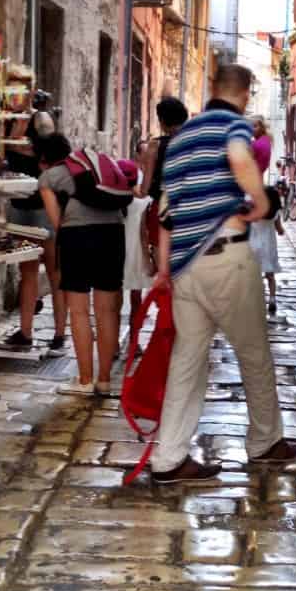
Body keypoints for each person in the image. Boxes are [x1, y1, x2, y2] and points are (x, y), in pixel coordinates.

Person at [150, 63, 296, 484]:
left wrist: (164, 270)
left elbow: (165, 213)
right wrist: (260, 202)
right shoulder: (232, 126)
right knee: (254, 352)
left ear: (213, 87)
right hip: (226, 259)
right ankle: (265, 442)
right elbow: (239, 156)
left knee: (187, 362)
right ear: (246, 93)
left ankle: (167, 459)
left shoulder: (180, 140)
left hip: (185, 266)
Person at [38, 134, 127, 396]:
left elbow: (57, 223)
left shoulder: (49, 178)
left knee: (78, 311)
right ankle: (105, 380)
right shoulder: (91, 165)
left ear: (45, 159)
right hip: (113, 234)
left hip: (78, 236)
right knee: (107, 311)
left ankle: (85, 380)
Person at [0, 109, 68, 355]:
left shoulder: (40, 131)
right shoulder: (14, 133)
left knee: (52, 274)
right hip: (25, 210)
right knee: (33, 273)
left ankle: (57, 334)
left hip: (41, 209)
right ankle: (29, 333)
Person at [140, 96, 189, 269]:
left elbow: (144, 190)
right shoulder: (193, 143)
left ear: (162, 120)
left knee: (163, 267)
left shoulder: (155, 146)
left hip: (162, 208)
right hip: (189, 210)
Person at [124, 139, 153, 336]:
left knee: (137, 293)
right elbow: (140, 194)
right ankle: (115, 342)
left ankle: (134, 336)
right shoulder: (130, 174)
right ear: (138, 154)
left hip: (139, 239)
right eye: (146, 151)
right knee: (117, 293)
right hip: (127, 235)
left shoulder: (152, 176)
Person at [250, 186, 284, 315]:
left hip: (254, 246)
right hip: (269, 247)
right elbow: (279, 230)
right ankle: (272, 299)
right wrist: (281, 231)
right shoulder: (275, 213)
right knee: (270, 276)